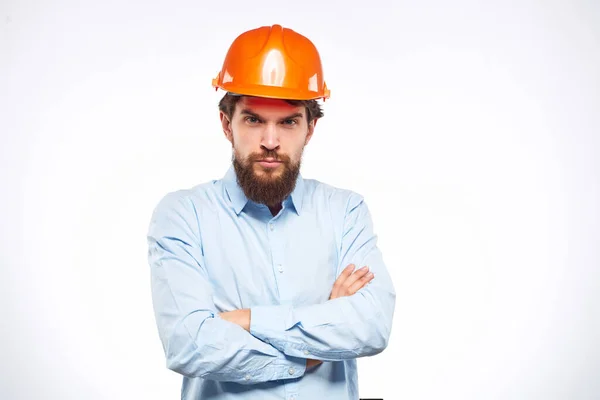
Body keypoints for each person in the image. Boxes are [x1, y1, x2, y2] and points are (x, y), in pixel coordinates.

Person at [147, 24, 396, 400]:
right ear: (226, 124)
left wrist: (248, 320)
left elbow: (371, 325)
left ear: (310, 128)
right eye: (253, 119)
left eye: (288, 121)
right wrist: (312, 350)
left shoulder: (344, 212)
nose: (270, 141)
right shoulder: (183, 215)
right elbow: (190, 344)